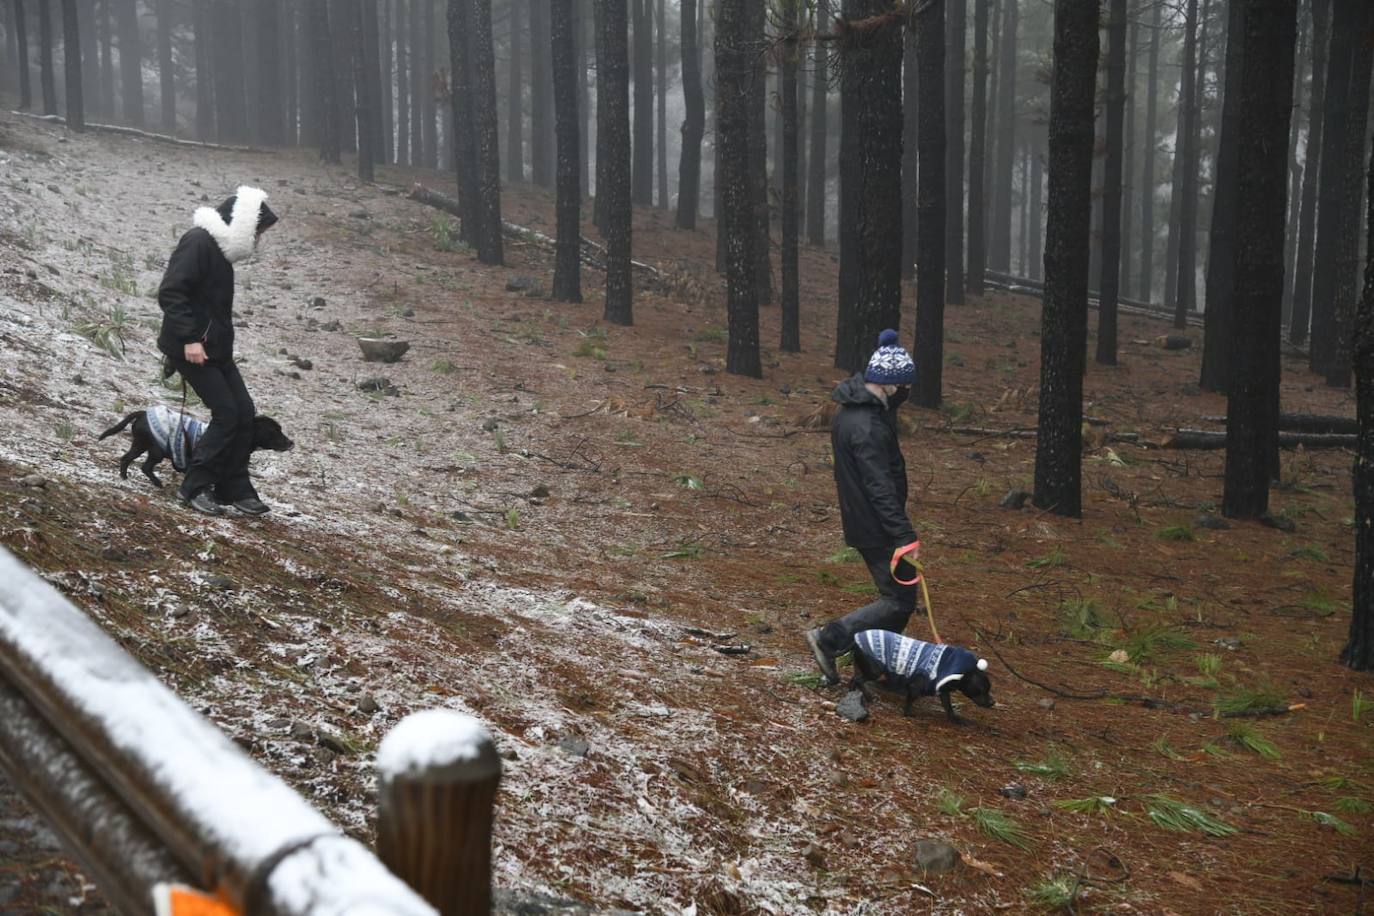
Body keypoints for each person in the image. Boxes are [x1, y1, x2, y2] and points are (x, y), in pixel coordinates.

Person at [805, 329, 923, 685]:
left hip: (864, 520)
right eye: (904, 385)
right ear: (890, 384)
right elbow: (879, 486)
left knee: (899, 598)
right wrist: (903, 534)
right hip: (877, 526)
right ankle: (830, 639)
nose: (907, 392)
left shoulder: (852, 412)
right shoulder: (867, 425)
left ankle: (874, 668)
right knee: (899, 600)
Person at [156, 186, 278, 516]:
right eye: (258, 231)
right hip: (191, 348)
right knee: (227, 414)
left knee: (244, 412)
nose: (258, 239)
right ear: (241, 222)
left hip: (217, 350)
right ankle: (195, 486)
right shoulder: (198, 242)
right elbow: (171, 293)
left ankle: (234, 487)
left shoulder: (220, 250)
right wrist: (190, 339)